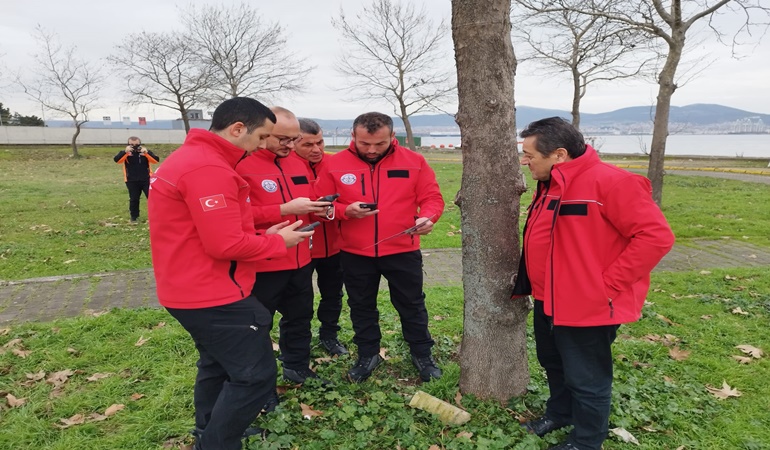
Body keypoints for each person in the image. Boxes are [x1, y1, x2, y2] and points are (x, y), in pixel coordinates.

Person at [147, 97, 313, 450]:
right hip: (211, 292)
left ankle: (209, 429)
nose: (264, 145)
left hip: (190, 286)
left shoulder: (196, 160)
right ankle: (217, 443)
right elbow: (223, 245)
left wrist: (260, 235)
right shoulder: (209, 170)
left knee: (217, 364)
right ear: (238, 129)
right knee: (255, 376)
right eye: (262, 137)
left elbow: (217, 226)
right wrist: (277, 243)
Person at [512, 117, 675, 450]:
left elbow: (656, 237)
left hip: (588, 305)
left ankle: (587, 441)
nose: (524, 161)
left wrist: (605, 286)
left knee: (587, 378)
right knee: (553, 363)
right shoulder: (552, 184)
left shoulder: (612, 183)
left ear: (558, 154)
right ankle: (560, 413)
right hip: (548, 298)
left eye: (529, 155)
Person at [314, 112, 445, 383]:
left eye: (379, 144)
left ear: (392, 137)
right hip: (354, 252)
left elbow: (432, 198)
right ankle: (367, 354)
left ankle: (422, 354)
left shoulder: (414, 161)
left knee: (411, 304)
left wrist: (428, 217)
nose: (372, 150)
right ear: (353, 137)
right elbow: (319, 207)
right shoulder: (335, 164)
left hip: (402, 249)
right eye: (365, 144)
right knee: (361, 305)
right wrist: (343, 211)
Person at [235, 107, 334, 385]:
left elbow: (308, 201)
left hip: (301, 258)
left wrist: (322, 210)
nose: (290, 146)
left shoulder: (296, 163)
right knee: (257, 324)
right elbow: (237, 216)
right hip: (264, 261)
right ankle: (258, 381)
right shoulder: (242, 165)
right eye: (283, 140)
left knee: (300, 317)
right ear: (263, 133)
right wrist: (281, 209)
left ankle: (296, 366)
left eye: (294, 140)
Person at [291, 118, 348, 356]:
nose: (316, 149)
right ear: (293, 142)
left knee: (333, 294)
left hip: (334, 244)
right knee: (298, 300)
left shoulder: (336, 164)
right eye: (308, 145)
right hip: (298, 246)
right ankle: (297, 344)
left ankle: (329, 335)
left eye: (320, 142)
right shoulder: (283, 166)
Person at [113, 136, 160, 223]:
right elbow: (117, 160)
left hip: (146, 179)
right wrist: (125, 152)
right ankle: (134, 217)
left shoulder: (145, 152)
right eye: (131, 145)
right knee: (134, 199)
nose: (134, 147)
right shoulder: (125, 153)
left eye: (137, 145)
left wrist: (146, 153)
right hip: (131, 180)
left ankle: (156, 215)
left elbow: (156, 160)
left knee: (151, 198)